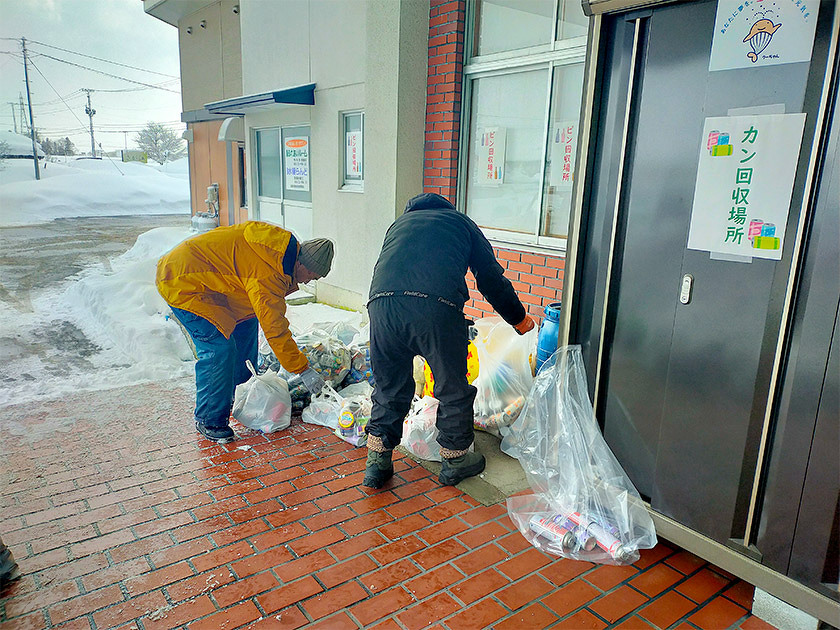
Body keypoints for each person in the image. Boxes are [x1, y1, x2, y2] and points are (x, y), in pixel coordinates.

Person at [364, 193, 536, 488]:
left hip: (382, 307)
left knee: (389, 385)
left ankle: (377, 462)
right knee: (452, 386)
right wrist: (518, 319)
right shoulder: (461, 223)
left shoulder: (399, 224)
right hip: (436, 307)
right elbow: (490, 278)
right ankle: (456, 460)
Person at [156, 222, 334, 443]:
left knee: (247, 329)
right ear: (304, 265)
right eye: (312, 276)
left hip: (219, 286)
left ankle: (244, 396)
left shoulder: (282, 254)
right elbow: (275, 328)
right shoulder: (269, 271)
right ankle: (209, 418)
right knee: (219, 348)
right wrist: (302, 369)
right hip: (182, 281)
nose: (308, 282)